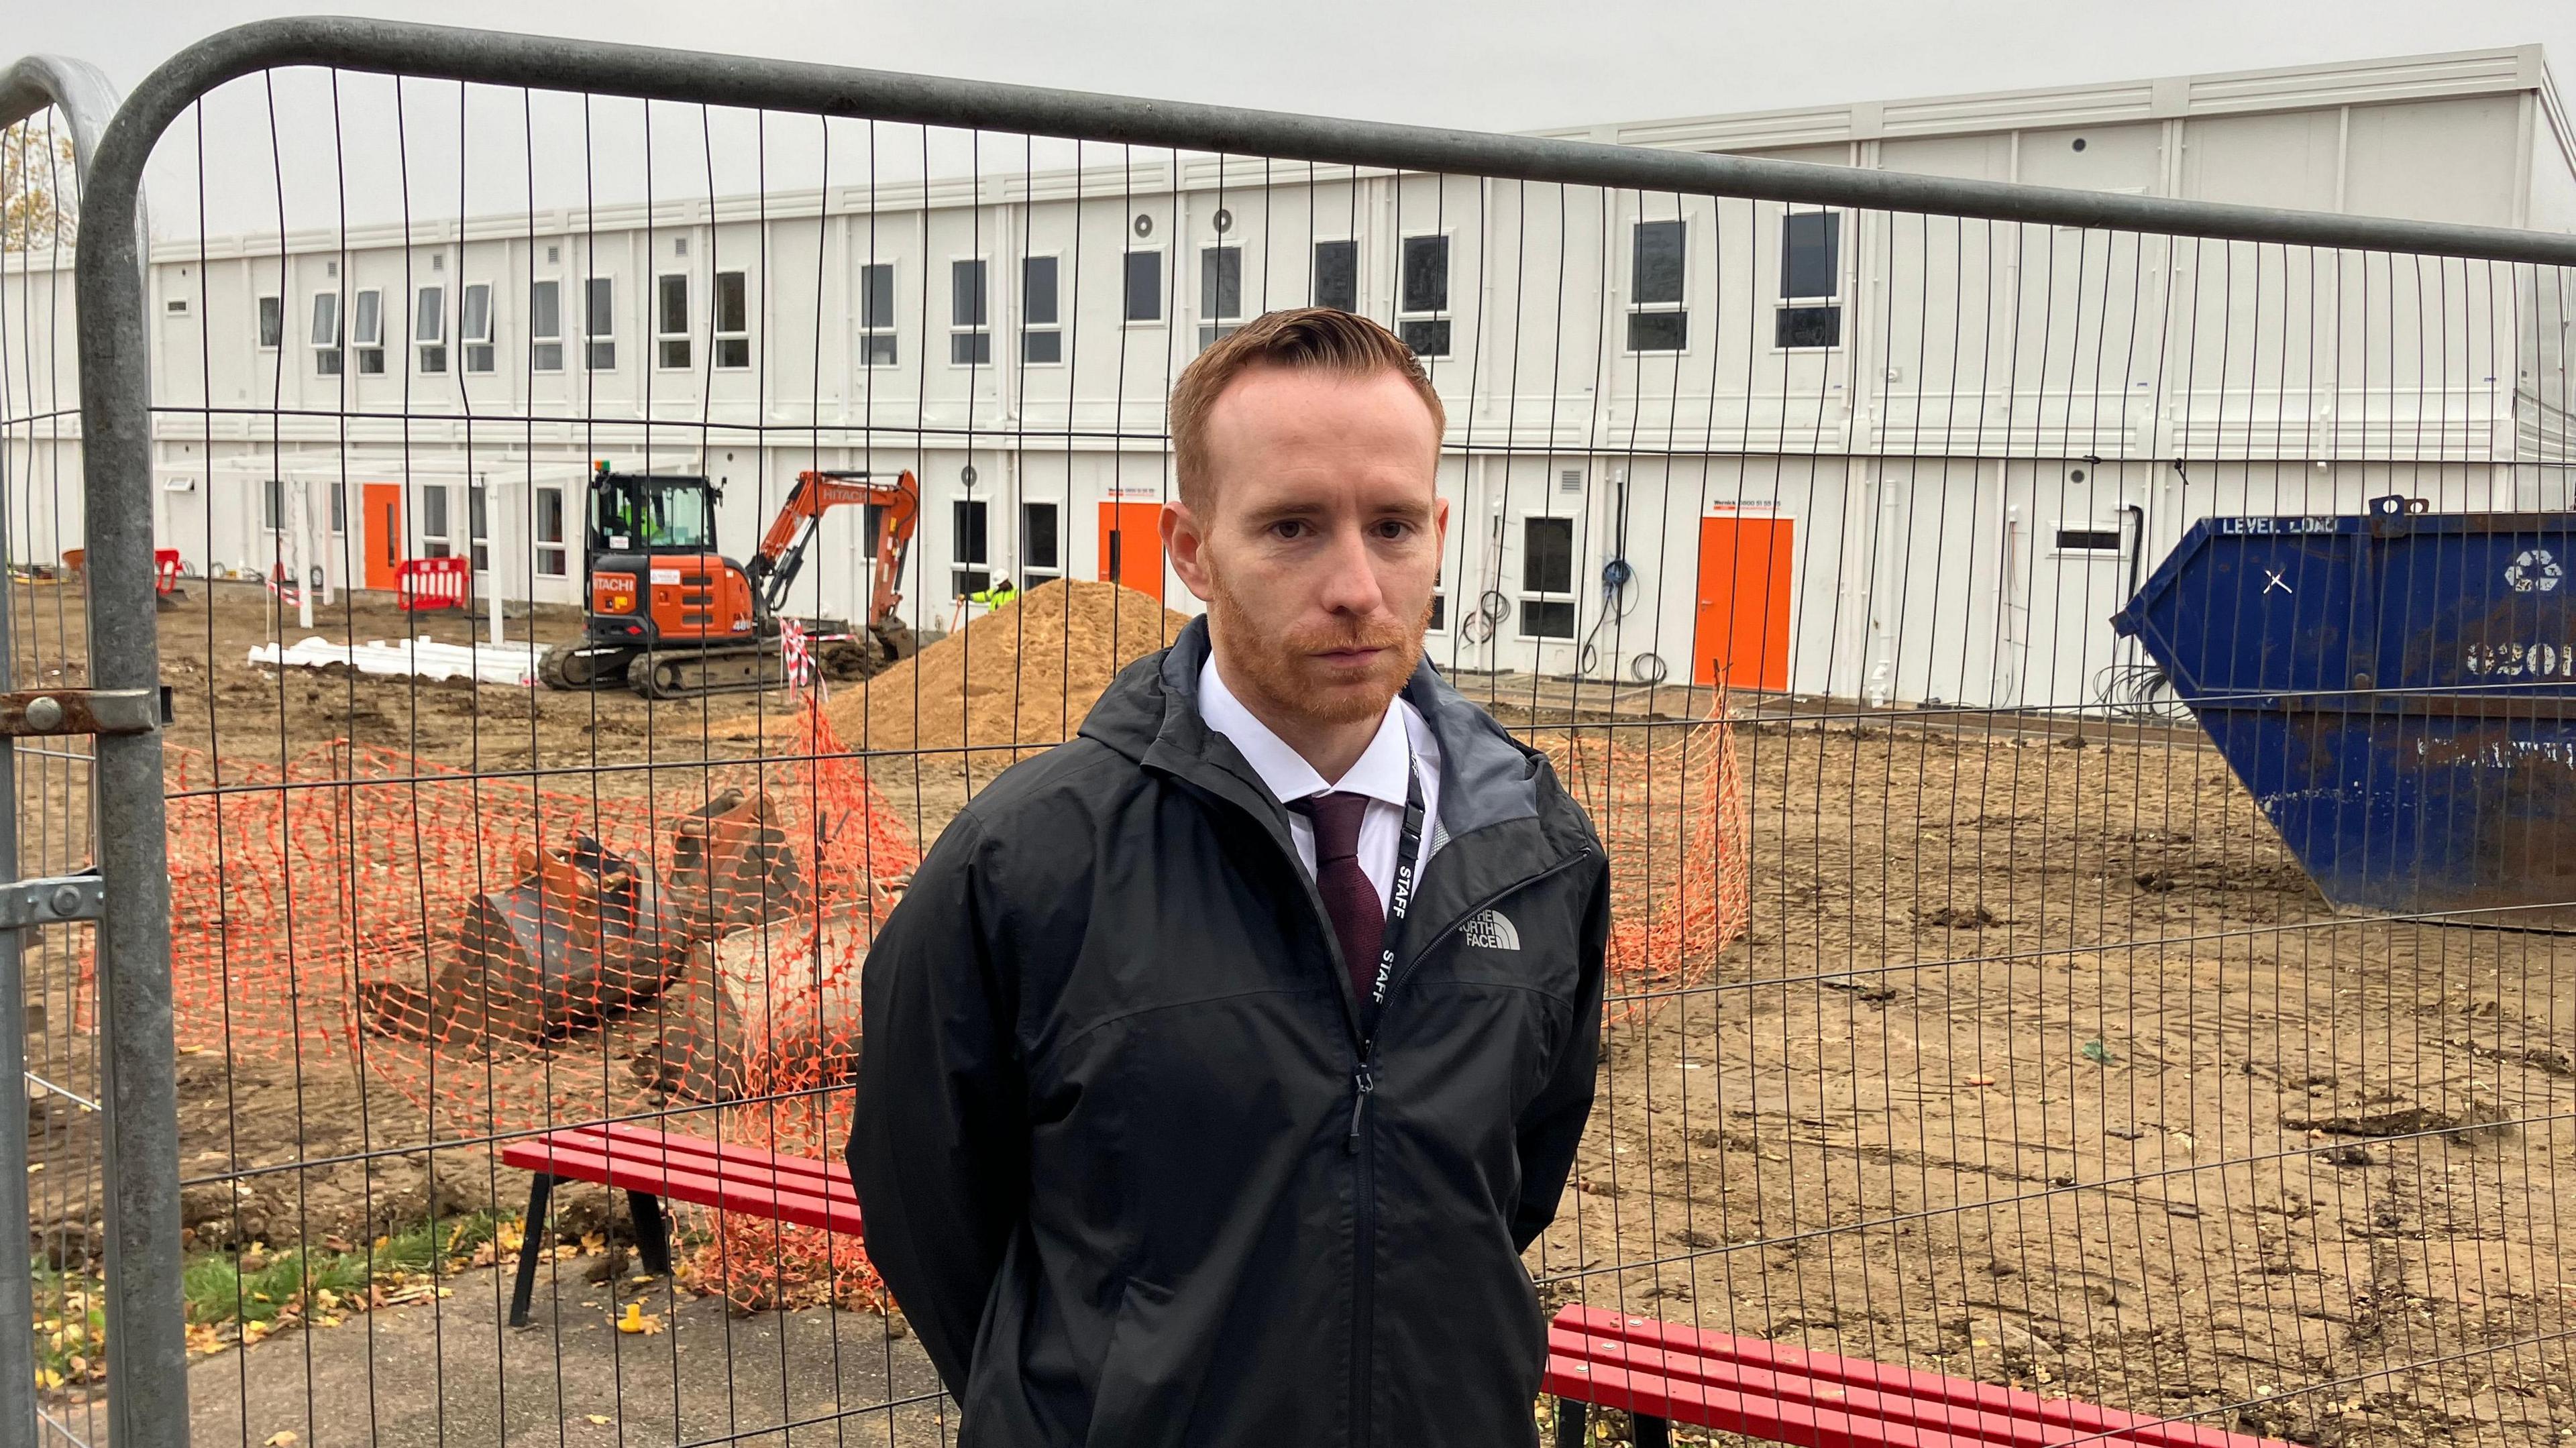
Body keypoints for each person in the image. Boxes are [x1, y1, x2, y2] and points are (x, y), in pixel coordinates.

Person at [849, 307, 1609, 1447]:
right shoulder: (1025, 865)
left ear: (1441, 531)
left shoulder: (1536, 855)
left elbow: (1512, 1189)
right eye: (1295, 528)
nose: (1357, 584)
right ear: (1193, 549)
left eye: (1393, 526)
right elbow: (927, 1203)